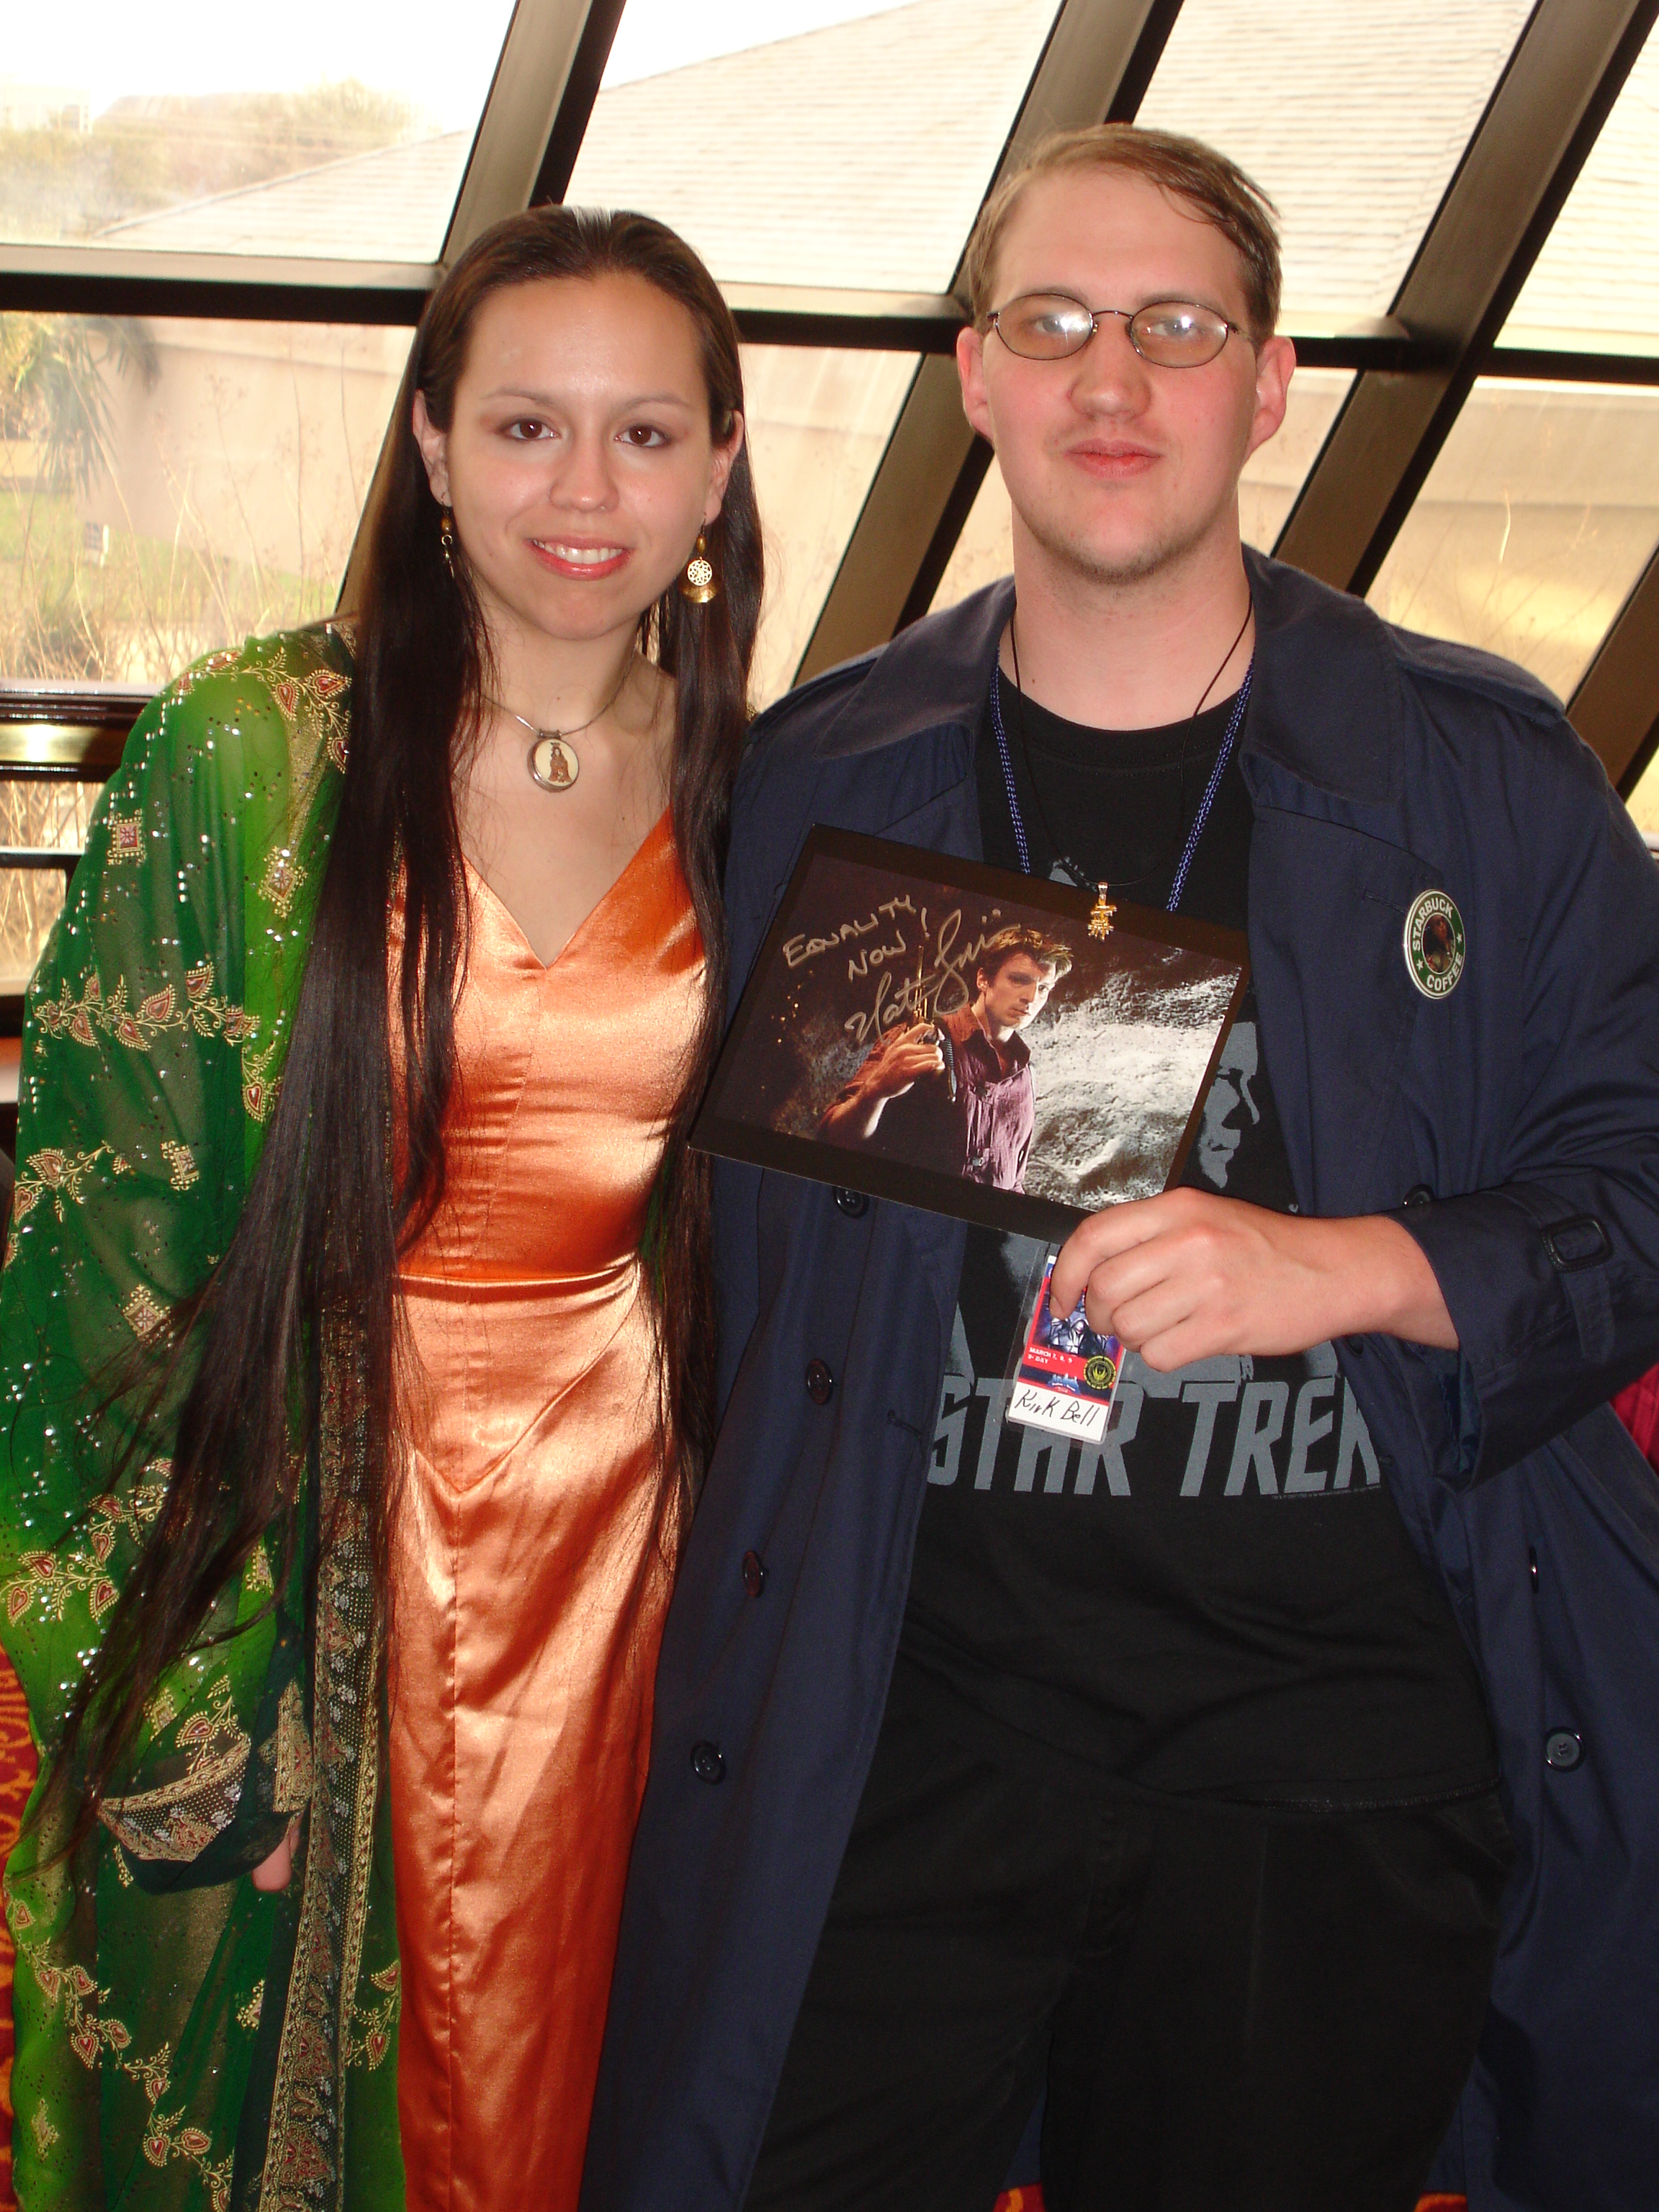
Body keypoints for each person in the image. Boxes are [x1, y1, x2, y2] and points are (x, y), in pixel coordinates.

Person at [583, 125, 1659, 2212]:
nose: (1110, 378)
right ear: (974, 376)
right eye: (1054, 320)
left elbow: (1642, 1172)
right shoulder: (826, 778)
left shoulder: (1476, 772)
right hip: (900, 1722)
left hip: (1323, 1758)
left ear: (1270, 385)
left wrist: (1356, 1264)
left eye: (1176, 326)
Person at [0, 204, 759, 2208]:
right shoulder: (253, 757)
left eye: (644, 434)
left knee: (600, 2060)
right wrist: (192, 1707)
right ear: (430, 442)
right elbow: (102, 1271)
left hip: (642, 1543)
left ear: (720, 465)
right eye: (524, 426)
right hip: (320, 1518)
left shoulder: (765, 789)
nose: (584, 492)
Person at [819, 925, 1070, 1190]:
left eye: (1044, 988)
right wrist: (874, 1092)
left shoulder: (1026, 1077)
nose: (1031, 997)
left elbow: (1014, 1180)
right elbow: (832, 1139)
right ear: (983, 980)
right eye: (1018, 980)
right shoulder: (918, 1038)